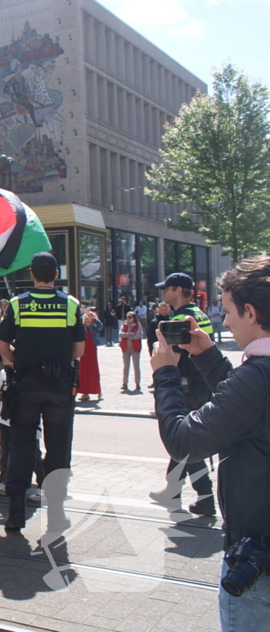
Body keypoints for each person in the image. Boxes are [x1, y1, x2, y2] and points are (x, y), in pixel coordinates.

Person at [151, 255, 270, 631]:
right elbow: (248, 409)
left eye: (228, 310)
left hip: (257, 559)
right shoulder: (256, 378)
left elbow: (183, 441)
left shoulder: (257, 378)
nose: (225, 320)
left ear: (250, 312)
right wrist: (208, 357)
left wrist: (165, 374)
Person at [0, 252, 86, 536]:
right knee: (58, 448)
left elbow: (2, 344)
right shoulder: (71, 304)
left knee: (21, 446)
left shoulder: (18, 304)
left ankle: (15, 514)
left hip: (26, 385)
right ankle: (57, 516)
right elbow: (79, 350)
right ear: (56, 274)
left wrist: (17, 362)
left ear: (32, 274)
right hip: (60, 386)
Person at [148, 272, 217, 517]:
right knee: (184, 442)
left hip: (185, 387)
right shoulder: (199, 314)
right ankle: (173, 491)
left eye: (166, 289)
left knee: (185, 443)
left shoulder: (178, 320)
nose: (163, 293)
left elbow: (172, 359)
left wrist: (163, 382)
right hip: (203, 384)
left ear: (178, 291)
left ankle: (205, 497)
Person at [77, 307, 102, 403]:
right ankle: (85, 393)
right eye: (86, 316)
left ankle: (98, 391)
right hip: (83, 350)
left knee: (93, 370)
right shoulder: (82, 326)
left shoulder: (94, 326)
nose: (88, 317)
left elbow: (100, 326)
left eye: (90, 316)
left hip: (92, 350)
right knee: (82, 371)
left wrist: (94, 318)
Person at [119, 311, 144, 392]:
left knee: (136, 366)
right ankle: (125, 382)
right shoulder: (124, 325)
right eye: (127, 317)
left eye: (130, 317)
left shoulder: (138, 326)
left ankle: (137, 383)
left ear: (134, 318)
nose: (128, 319)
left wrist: (127, 336)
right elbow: (120, 334)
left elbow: (137, 336)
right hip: (126, 348)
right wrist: (130, 334)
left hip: (135, 348)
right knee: (126, 366)